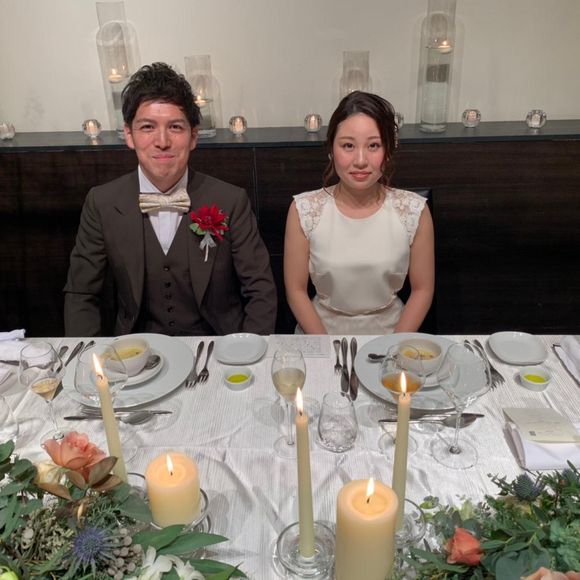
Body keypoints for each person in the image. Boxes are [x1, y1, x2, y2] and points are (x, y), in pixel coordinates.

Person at [64, 63, 277, 337]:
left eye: (175, 127)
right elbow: (81, 293)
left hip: (220, 347)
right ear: (129, 135)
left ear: (193, 136)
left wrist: (249, 351)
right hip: (136, 349)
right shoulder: (101, 203)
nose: (162, 141)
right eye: (147, 127)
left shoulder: (231, 200)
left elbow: (261, 290)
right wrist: (90, 358)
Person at [284, 91, 434, 335]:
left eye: (373, 145)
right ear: (331, 150)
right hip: (320, 332)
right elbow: (296, 290)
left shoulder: (414, 210)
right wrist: (327, 346)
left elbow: (422, 290)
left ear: (388, 151)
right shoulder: (304, 209)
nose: (361, 160)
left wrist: (393, 345)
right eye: (348, 146)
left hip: (392, 332)